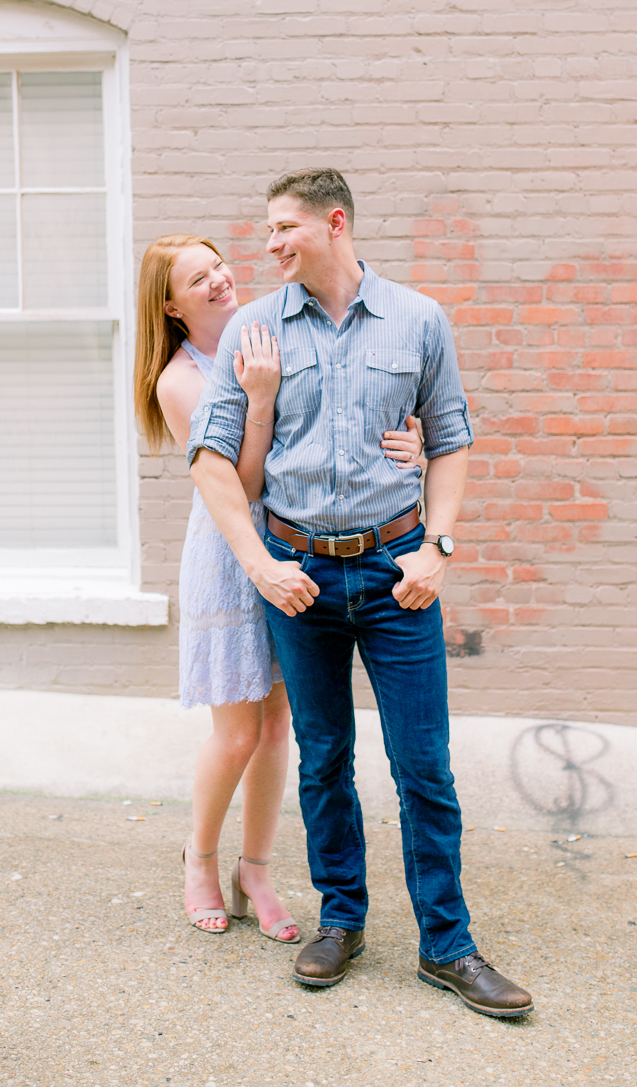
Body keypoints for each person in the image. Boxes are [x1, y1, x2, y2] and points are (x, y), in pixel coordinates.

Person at [186, 171, 534, 1018]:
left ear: (332, 223)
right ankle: (341, 921)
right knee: (323, 758)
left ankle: (447, 946)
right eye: (267, 230)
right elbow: (210, 460)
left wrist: (437, 548)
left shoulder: (418, 318)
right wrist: (260, 565)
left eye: (283, 228)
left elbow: (448, 439)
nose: (268, 245)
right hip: (297, 579)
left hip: (394, 578)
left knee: (423, 765)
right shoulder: (254, 327)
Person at [134, 233, 424, 943]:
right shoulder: (180, 379)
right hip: (236, 557)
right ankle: (197, 861)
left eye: (218, 266)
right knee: (236, 733)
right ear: (170, 306)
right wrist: (259, 396)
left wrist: (408, 443)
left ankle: (253, 868)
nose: (219, 280)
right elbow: (240, 481)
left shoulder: (263, 332)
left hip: (303, 547)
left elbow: (332, 424)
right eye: (197, 279)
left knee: (277, 730)